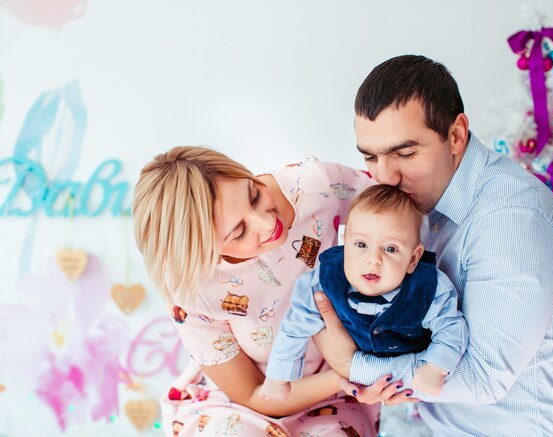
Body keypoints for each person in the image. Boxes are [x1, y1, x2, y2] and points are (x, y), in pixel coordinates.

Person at [312, 55, 553, 436]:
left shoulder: (512, 220)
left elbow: (482, 377)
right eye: (371, 156)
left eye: (405, 154)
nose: (385, 176)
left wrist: (355, 363)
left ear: (456, 135)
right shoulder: (421, 199)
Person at [132, 146, 402, 437]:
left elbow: (405, 213)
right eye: (238, 232)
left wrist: (360, 370)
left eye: (254, 194)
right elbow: (251, 393)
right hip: (237, 407)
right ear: (205, 251)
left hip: (337, 399)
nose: (267, 222)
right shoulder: (192, 288)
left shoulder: (316, 186)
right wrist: (349, 372)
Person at [260, 184, 467, 400]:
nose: (373, 259)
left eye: (390, 249)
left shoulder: (429, 288)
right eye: (360, 244)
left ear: (413, 259)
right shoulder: (324, 279)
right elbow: (295, 326)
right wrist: (277, 377)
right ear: (345, 242)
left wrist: (436, 366)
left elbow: (452, 326)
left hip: (410, 370)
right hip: (348, 381)